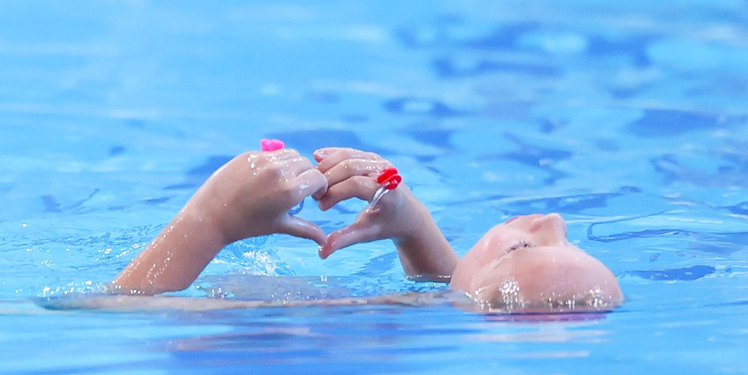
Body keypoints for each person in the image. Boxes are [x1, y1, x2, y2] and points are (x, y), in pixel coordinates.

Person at [108, 141, 621, 313]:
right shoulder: (451, 313)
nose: (554, 219)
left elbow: (113, 310)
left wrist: (210, 218)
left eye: (527, 245)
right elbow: (455, 297)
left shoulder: (350, 321)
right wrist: (413, 225)